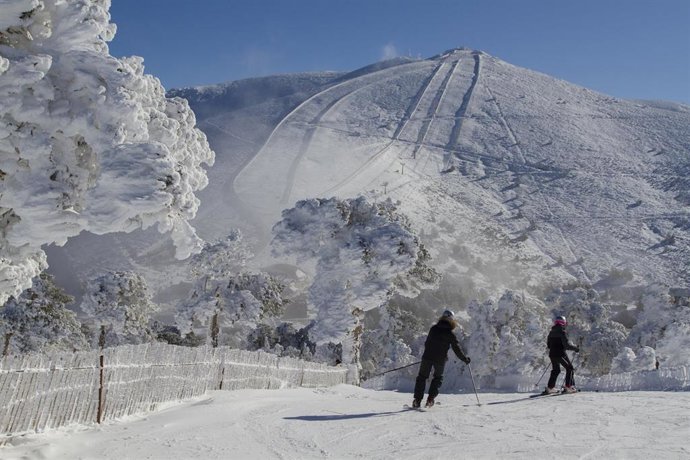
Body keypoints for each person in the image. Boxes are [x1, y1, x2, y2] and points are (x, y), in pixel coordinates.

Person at [412, 309, 470, 408]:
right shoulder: (450, 334)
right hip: (440, 359)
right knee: (437, 378)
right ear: (452, 320)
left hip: (427, 357)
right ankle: (430, 400)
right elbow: (457, 349)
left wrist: (428, 354)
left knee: (422, 377)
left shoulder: (433, 329)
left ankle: (417, 400)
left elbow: (427, 343)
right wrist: (464, 359)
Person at [544, 315, 579, 394]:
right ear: (564, 323)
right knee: (569, 368)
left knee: (556, 370)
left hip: (552, 354)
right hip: (560, 354)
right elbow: (566, 346)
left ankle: (550, 388)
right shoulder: (562, 332)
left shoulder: (551, 332)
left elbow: (549, 345)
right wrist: (576, 348)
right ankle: (568, 387)